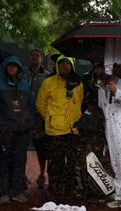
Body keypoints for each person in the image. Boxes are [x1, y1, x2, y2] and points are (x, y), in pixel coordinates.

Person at [36, 55, 84, 199]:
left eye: (67, 63)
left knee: (72, 163)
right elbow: (40, 104)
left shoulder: (78, 83)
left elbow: (79, 102)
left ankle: (70, 191)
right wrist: (51, 119)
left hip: (73, 130)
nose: (64, 66)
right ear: (57, 66)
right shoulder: (48, 82)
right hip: (55, 131)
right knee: (55, 164)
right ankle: (54, 191)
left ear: (72, 66)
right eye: (61, 63)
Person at [0, 56, 33, 204]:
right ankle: (4, 192)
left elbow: (31, 107)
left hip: (23, 131)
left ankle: (18, 191)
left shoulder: (26, 86)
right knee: (4, 161)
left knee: (20, 161)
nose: (11, 68)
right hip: (5, 131)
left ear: (19, 68)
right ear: (5, 68)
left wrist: (30, 124)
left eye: (14, 66)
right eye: (9, 66)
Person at [98, 75, 121, 211]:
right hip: (110, 127)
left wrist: (116, 92)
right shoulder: (101, 88)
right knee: (115, 161)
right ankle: (119, 195)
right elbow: (103, 107)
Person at [21, 49, 50, 189]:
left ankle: (42, 175)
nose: (34, 57)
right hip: (24, 117)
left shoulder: (48, 76)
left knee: (41, 149)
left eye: (37, 55)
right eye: (32, 55)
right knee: (22, 148)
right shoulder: (22, 73)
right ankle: (22, 175)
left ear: (41, 59)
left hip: (40, 118)